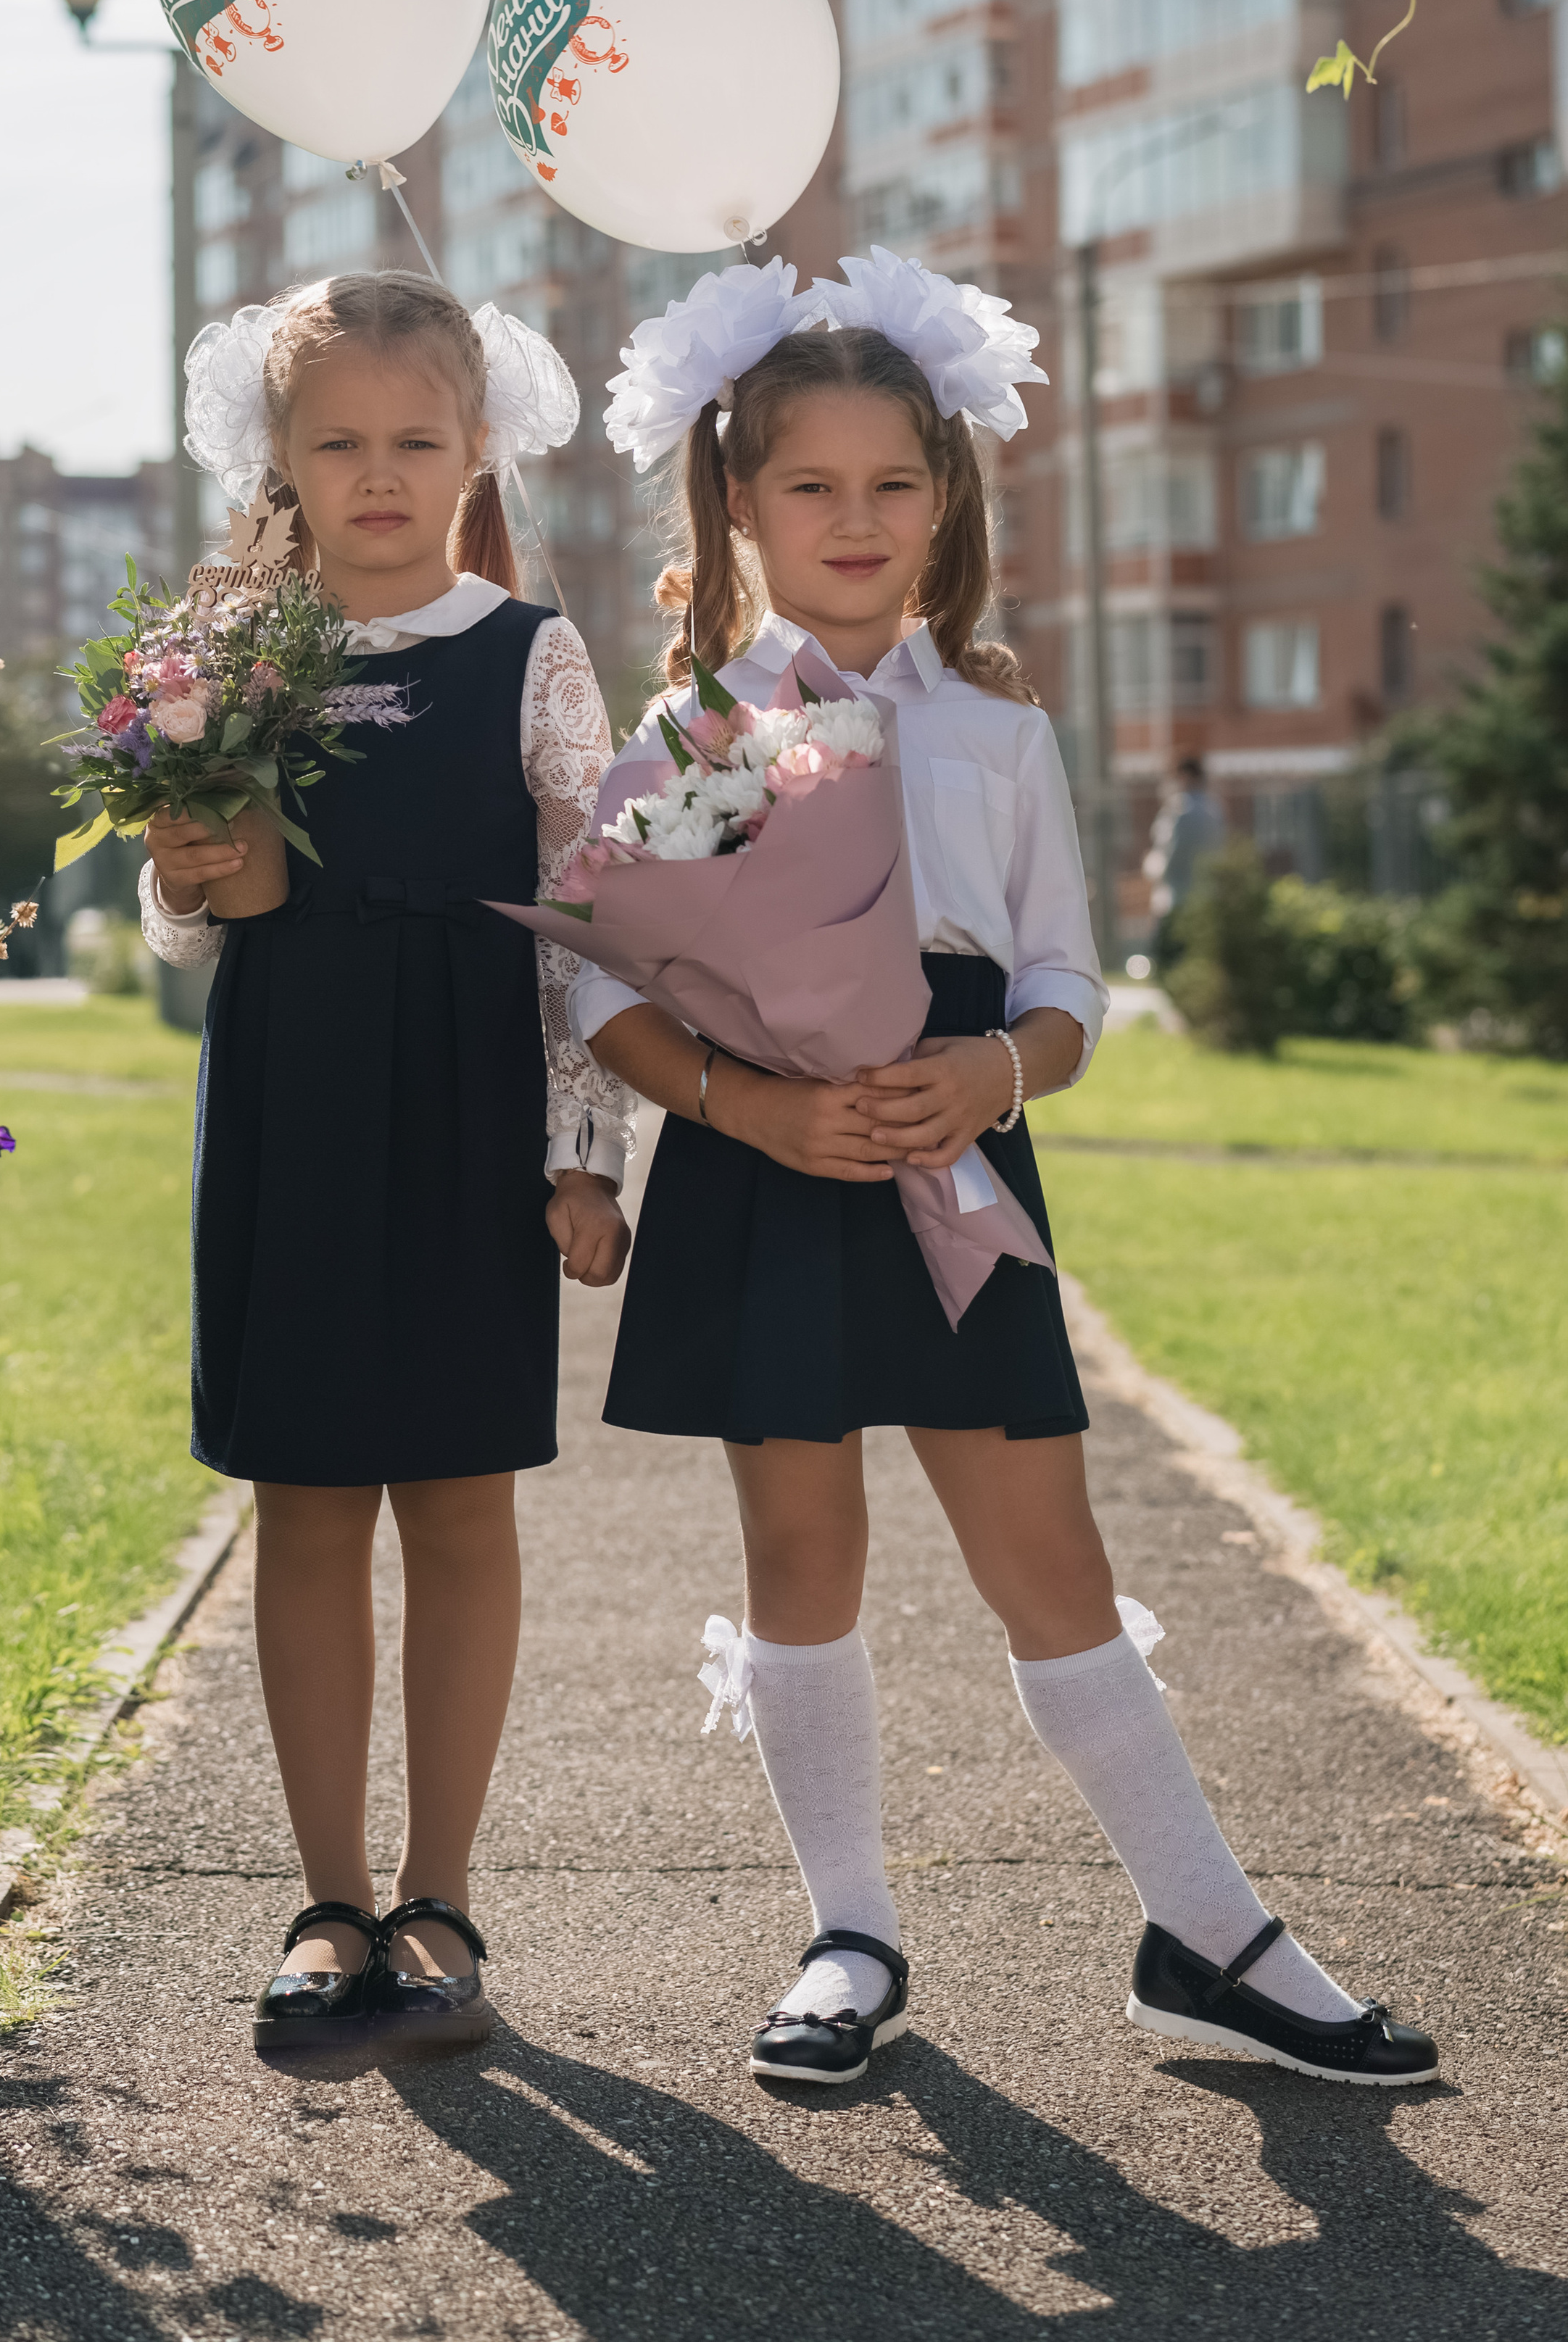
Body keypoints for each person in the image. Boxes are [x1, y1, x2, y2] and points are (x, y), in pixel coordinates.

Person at [574, 253, 1437, 2093]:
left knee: (1047, 1548)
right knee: (799, 1551)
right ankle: (847, 1931)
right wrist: (747, 1109)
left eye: (894, 483)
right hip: (766, 1159)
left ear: (944, 498)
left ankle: (1207, 1933)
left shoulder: (998, 730)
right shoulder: (694, 738)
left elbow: (1064, 978)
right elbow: (596, 985)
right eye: (809, 485)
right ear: (737, 502)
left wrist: (994, 1069)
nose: (855, 520)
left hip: (956, 1160)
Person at [140, 270, 634, 2054]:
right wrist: (182, 876)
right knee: (304, 1502)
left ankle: (438, 1895)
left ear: (472, 445)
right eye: (335, 440)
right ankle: (326, 1895)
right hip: (287, 1097)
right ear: (276, 451)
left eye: (412, 439)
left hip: (470, 1111)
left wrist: (586, 1149)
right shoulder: (224, 656)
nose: (374, 470)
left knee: (457, 1500)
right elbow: (184, 927)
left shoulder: (532, 651)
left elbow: (583, 921)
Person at [1144, 754, 1225, 968]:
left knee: (1174, 957)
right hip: (1205, 894)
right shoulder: (1214, 808)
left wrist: (1154, 870)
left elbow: (1171, 854)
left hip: (1176, 895)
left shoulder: (1181, 810)